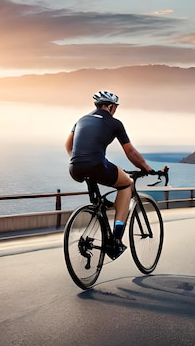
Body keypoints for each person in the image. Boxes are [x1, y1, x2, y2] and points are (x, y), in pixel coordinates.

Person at [65, 90, 156, 259]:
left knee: (99, 191)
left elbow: (68, 145)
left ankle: (101, 205)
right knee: (127, 184)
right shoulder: (114, 123)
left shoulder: (81, 120)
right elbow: (129, 151)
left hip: (75, 167)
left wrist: (78, 158)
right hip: (96, 164)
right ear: (111, 107)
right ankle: (115, 240)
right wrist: (147, 167)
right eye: (115, 107)